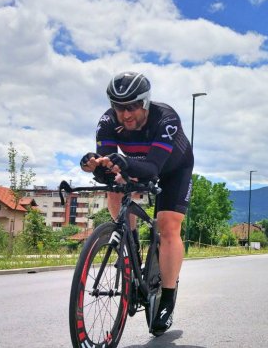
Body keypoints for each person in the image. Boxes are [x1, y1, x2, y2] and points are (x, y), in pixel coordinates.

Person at [80, 71, 193, 335]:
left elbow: (153, 167)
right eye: (119, 108)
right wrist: (95, 165)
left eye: (132, 106)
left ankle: (167, 297)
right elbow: (107, 169)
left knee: (167, 225)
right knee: (114, 187)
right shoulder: (107, 122)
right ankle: (128, 246)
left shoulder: (166, 118)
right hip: (137, 165)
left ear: (145, 102)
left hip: (172, 168)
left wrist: (123, 163)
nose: (126, 114)